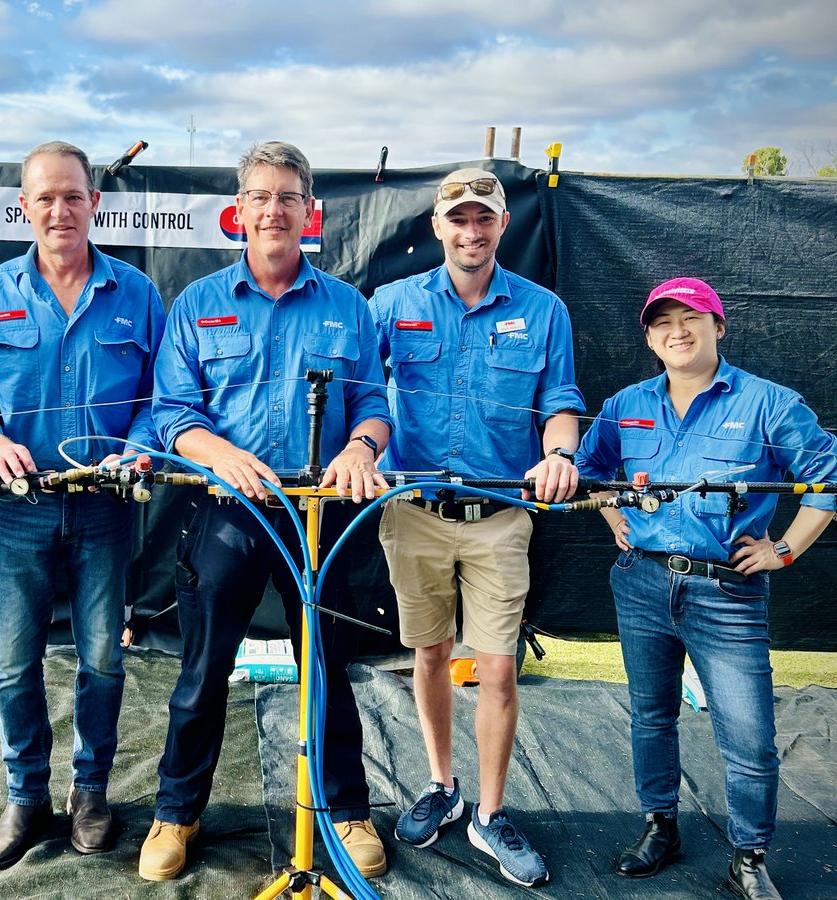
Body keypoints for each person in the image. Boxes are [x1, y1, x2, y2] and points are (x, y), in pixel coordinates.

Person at [140, 141, 393, 882]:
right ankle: (176, 813)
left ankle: (345, 811)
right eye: (261, 196)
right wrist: (216, 453)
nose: (274, 209)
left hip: (318, 513)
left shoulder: (348, 306)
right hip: (227, 510)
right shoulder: (198, 304)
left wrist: (361, 449)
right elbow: (172, 412)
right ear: (239, 211)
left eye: (289, 197)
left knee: (327, 666)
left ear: (308, 213)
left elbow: (375, 403)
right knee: (201, 670)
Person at [576, 277, 837, 900]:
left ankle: (749, 856)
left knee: (747, 734)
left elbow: (826, 477)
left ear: (719, 327)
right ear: (649, 338)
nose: (678, 331)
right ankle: (659, 825)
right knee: (651, 715)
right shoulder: (626, 404)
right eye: (663, 322)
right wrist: (617, 518)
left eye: (692, 318)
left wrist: (784, 549)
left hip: (726, 593)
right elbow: (588, 470)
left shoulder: (770, 404)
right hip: (640, 583)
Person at [0, 141, 166, 866]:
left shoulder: (135, 292)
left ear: (94, 203)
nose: (59, 210)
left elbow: (163, 400)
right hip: (17, 508)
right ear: (25, 207)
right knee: (15, 664)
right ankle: (25, 796)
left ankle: (92, 792)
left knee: (102, 658)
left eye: (73, 196)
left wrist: (136, 446)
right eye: (45, 198)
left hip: (105, 510)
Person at [368, 167, 585, 888]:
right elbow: (362, 393)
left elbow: (560, 399)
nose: (471, 231)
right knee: (428, 655)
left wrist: (559, 452)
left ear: (502, 225)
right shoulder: (392, 303)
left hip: (500, 519)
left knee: (495, 667)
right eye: (457, 219)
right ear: (437, 227)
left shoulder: (544, 309)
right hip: (413, 514)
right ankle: (441, 785)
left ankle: (490, 815)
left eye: (483, 218)